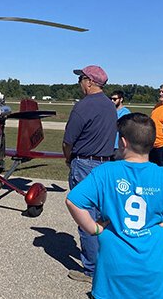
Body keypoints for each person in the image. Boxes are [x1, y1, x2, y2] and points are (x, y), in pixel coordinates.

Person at [65, 113, 163, 298]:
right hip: (152, 268)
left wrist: (93, 228)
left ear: (123, 142)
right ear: (152, 143)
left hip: (113, 265)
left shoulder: (105, 172)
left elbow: (73, 200)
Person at [62, 65, 118, 283]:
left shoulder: (82, 107)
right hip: (106, 165)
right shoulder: (109, 105)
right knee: (105, 216)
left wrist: (69, 159)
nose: (79, 84)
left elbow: (68, 142)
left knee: (86, 216)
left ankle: (92, 270)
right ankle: (107, 261)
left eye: (81, 79)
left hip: (85, 164)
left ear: (89, 82)